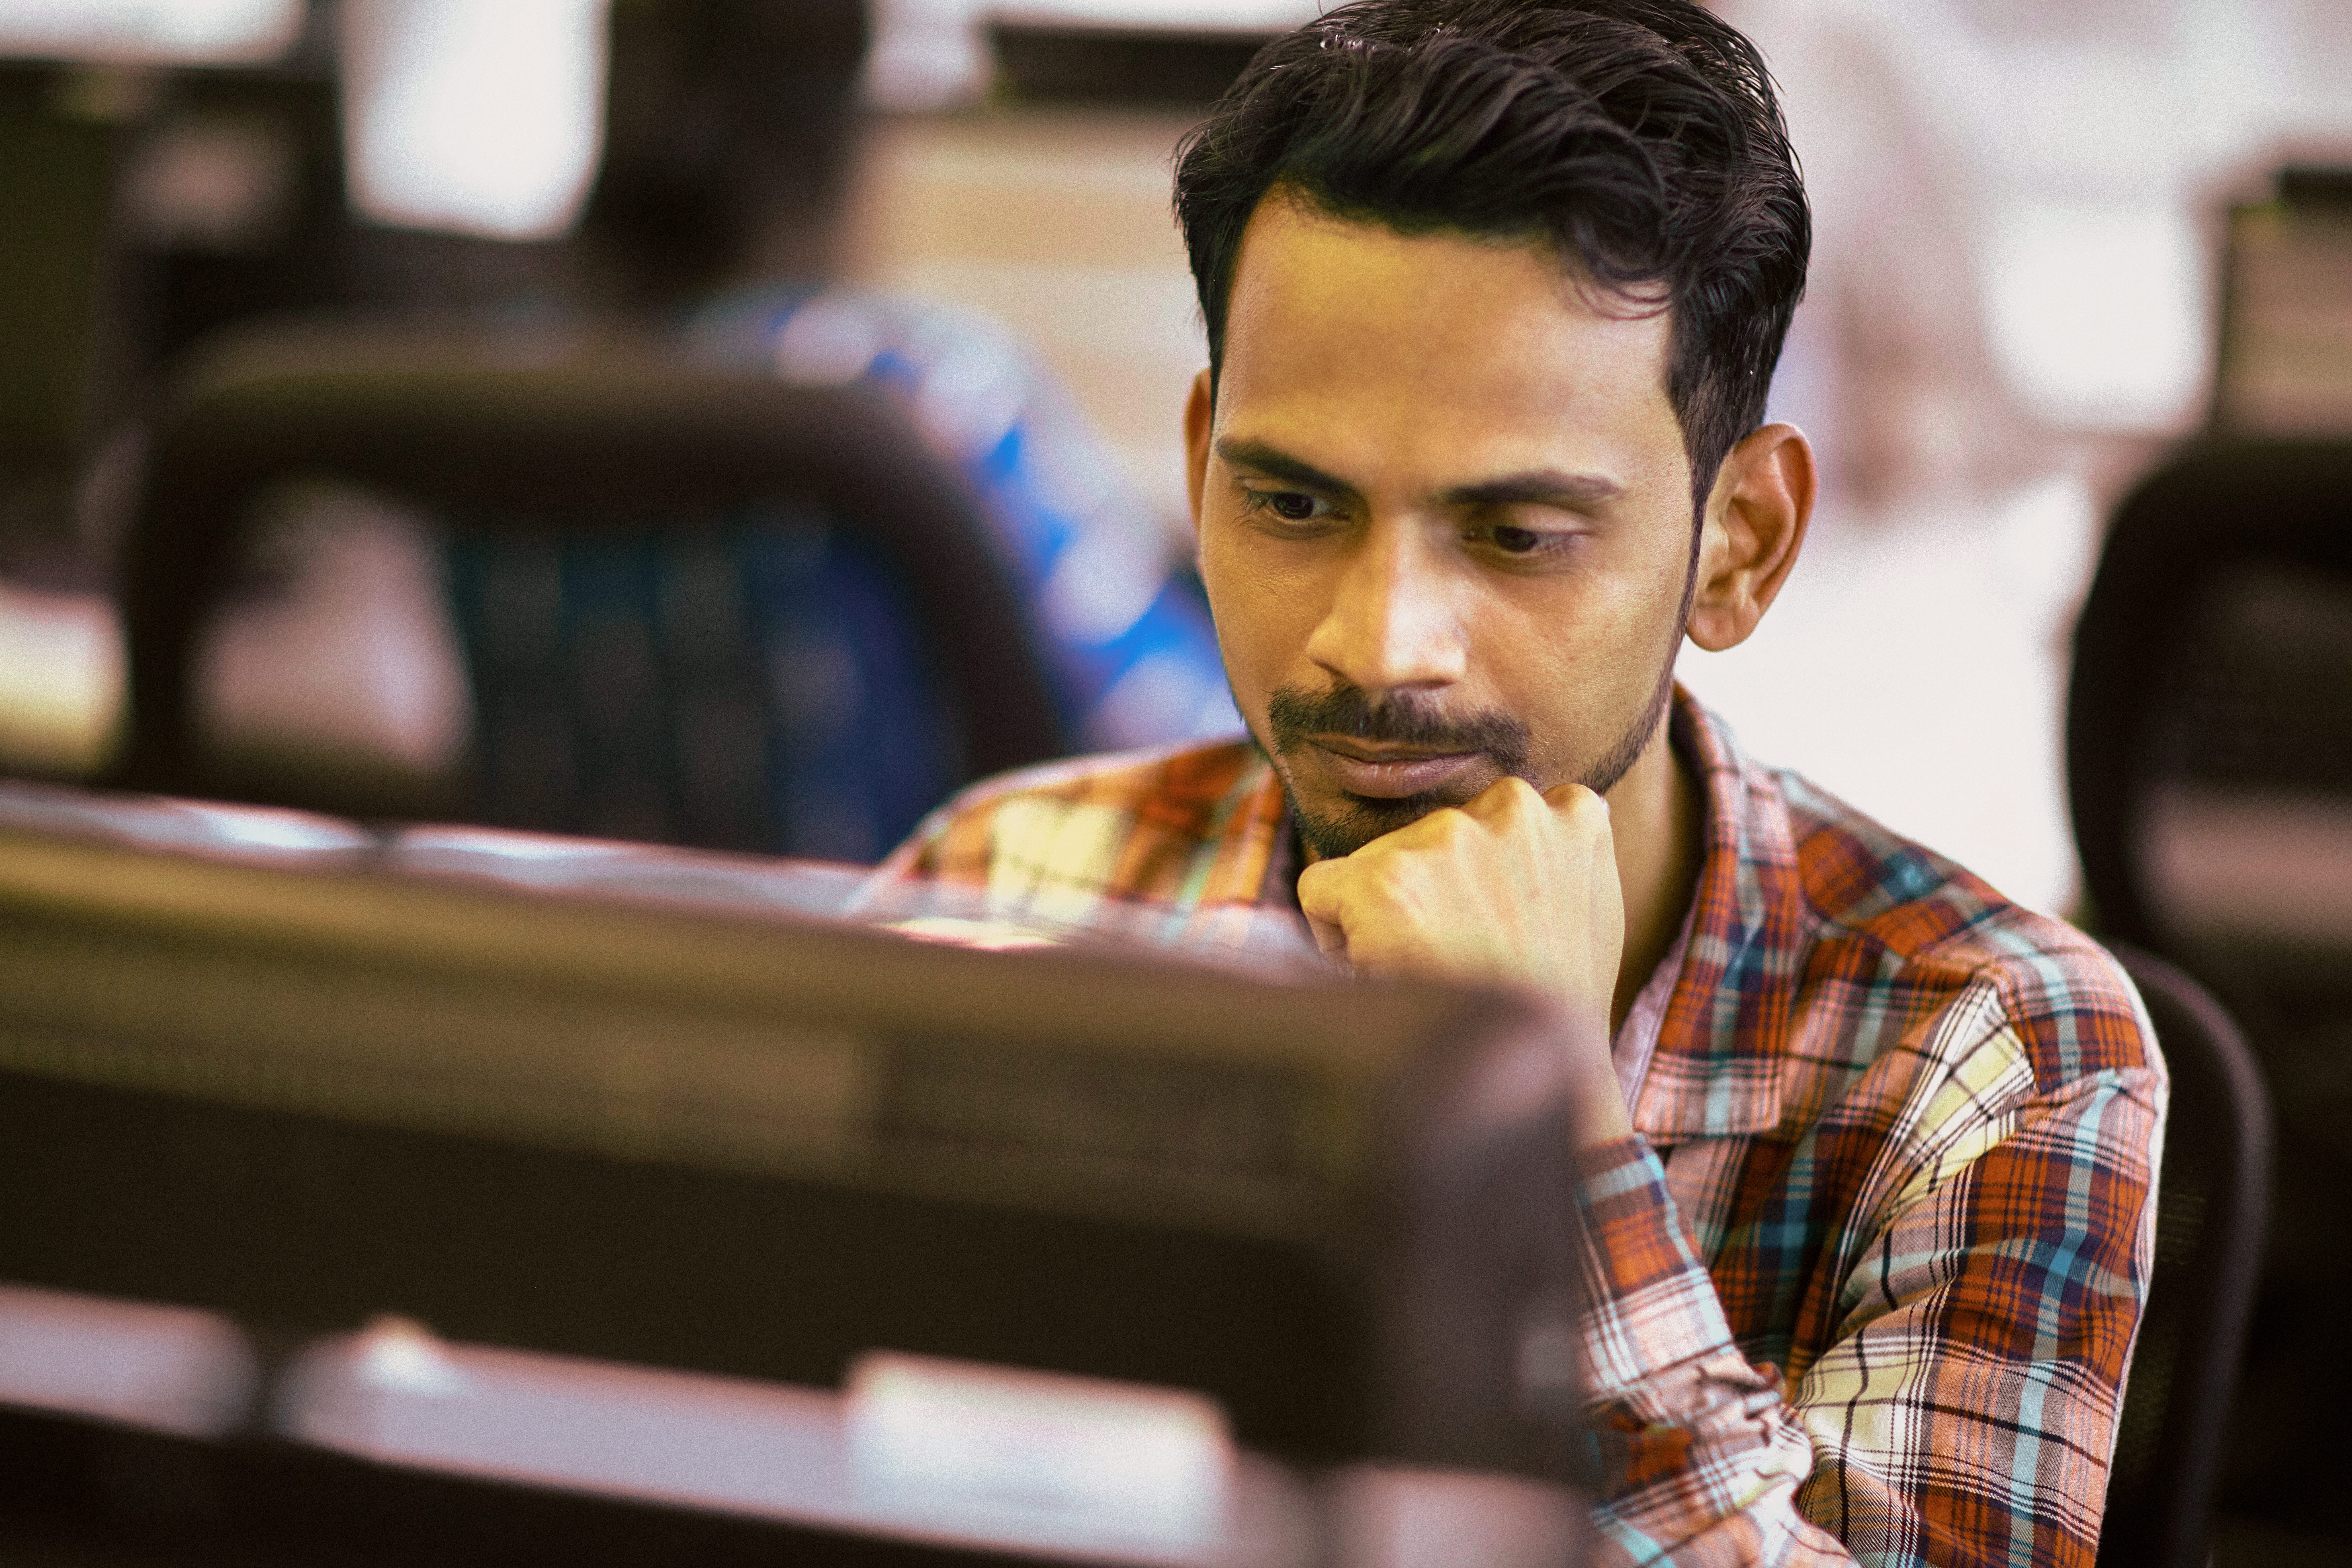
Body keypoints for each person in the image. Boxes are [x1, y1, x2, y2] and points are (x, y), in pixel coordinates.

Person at [862, 1, 2165, 1562]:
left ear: (1736, 545)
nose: (1379, 643)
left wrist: (1554, 1145)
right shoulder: (1000, 891)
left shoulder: (1987, 1052)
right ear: (1202, 464)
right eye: (1291, 503)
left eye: (1515, 534)